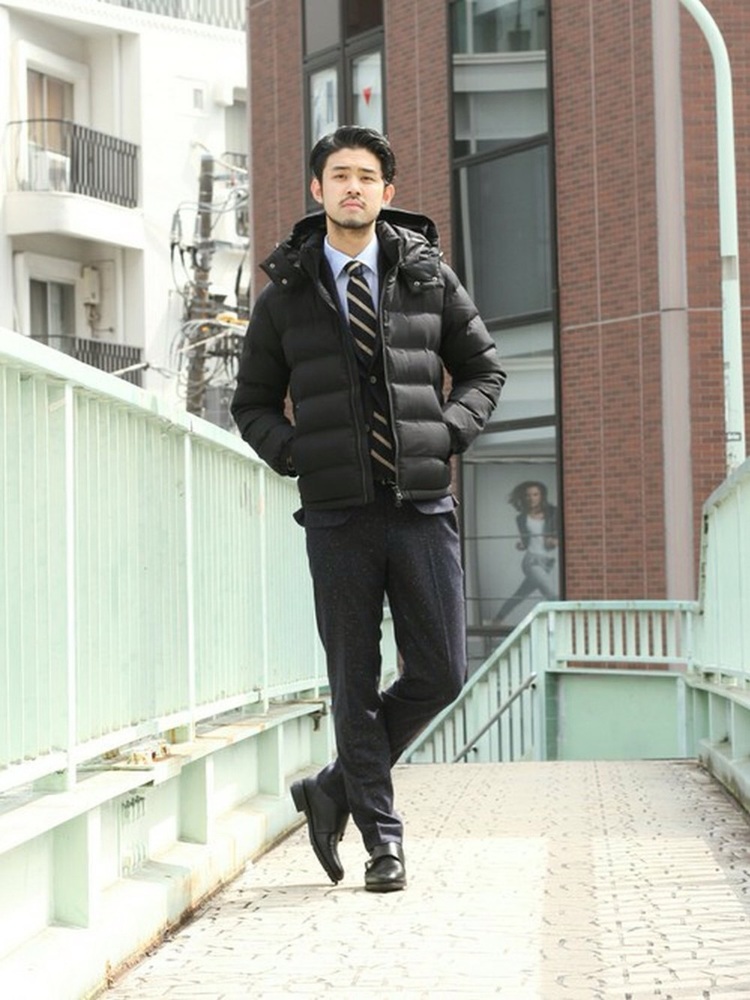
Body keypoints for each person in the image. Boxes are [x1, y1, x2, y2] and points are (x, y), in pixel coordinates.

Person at [231, 125, 505, 892]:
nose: (352, 187)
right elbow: (251, 403)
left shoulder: (426, 275)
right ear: (317, 190)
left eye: (365, 177)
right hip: (338, 516)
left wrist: (445, 435)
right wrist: (297, 454)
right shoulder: (286, 296)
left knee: (441, 673)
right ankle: (384, 843)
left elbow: (483, 371)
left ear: (387, 192)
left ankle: (332, 790)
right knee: (353, 681)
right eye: (339, 175)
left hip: (421, 507)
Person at [492, 480, 558, 625]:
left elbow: (561, 534)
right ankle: (560, 624)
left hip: (548, 563)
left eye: (535, 494)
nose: (531, 498)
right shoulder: (521, 518)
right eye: (528, 495)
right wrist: (522, 545)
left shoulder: (553, 513)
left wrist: (555, 541)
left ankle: (496, 621)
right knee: (553, 596)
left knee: (519, 596)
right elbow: (527, 541)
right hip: (532, 561)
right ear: (524, 498)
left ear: (541, 496)